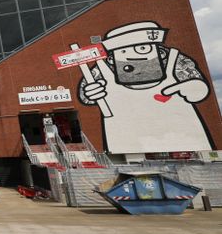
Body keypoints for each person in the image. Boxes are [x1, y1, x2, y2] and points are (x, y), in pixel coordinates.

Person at [78, 21, 212, 153]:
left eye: (143, 49)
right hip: (125, 141)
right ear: (112, 59)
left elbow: (198, 85)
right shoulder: (103, 70)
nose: (133, 57)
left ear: (161, 52)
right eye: (123, 51)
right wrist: (90, 93)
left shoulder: (175, 61)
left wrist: (196, 89)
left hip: (187, 138)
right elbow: (85, 94)